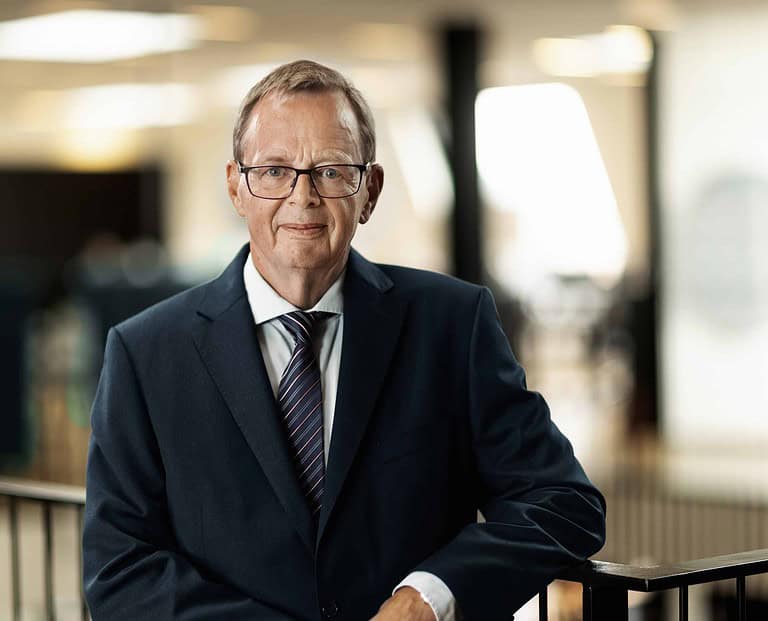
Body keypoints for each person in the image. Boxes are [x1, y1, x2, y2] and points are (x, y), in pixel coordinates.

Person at [82, 60, 606, 621]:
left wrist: (430, 597)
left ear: (370, 191)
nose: (302, 196)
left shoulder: (452, 325)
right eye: (275, 171)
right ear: (237, 187)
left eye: (330, 171)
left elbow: (562, 502)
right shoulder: (147, 353)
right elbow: (119, 567)